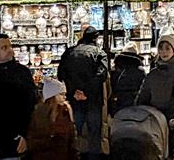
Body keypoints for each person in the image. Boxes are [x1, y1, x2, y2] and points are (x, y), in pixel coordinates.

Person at [57, 26, 110, 160]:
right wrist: (86, 91)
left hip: (73, 99)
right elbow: (101, 75)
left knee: (74, 133)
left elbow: (61, 74)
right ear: (95, 38)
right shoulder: (99, 53)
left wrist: (75, 90)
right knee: (94, 135)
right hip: (93, 100)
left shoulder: (69, 52)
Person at [27, 79, 78, 160]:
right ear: (52, 96)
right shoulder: (40, 114)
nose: (64, 97)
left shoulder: (65, 112)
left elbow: (71, 141)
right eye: (61, 94)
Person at [108, 43, 145, 116]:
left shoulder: (115, 69)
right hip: (134, 105)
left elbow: (110, 88)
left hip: (118, 104)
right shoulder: (140, 71)